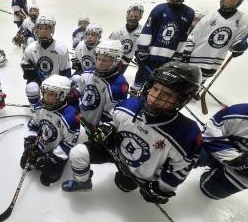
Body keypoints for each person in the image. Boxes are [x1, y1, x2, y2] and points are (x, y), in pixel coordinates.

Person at [63, 62, 202, 206]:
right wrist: (107, 129)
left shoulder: (188, 134)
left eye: (167, 94)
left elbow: (179, 168)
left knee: (124, 186)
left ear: (182, 99)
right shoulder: (129, 105)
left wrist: (162, 189)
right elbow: (114, 122)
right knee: (78, 153)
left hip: (140, 174)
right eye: (155, 89)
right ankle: (83, 183)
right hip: (114, 151)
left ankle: (127, 178)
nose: (154, 98)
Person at [132, 0, 195, 95]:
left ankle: (147, 98)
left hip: (169, 58)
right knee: (141, 77)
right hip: (150, 55)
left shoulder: (189, 13)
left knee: (157, 83)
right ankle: (133, 95)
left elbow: (183, 36)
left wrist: (178, 55)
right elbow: (147, 30)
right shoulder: (159, 9)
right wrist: (142, 50)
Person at [198, 89, 248, 200]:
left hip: (245, 170)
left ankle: (215, 173)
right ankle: (212, 165)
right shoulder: (240, 112)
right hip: (222, 152)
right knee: (192, 151)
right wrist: (240, 159)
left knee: (211, 191)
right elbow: (209, 133)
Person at [182, 0, 248, 85]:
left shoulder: (243, 19)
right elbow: (193, 36)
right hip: (195, 58)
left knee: (198, 85)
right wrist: (186, 53)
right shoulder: (210, 16)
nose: (232, 0)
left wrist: (240, 47)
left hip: (215, 61)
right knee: (184, 85)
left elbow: (237, 42)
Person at [20, 75, 80, 186]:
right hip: (41, 145)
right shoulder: (40, 107)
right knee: (24, 163)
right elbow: (33, 126)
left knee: (48, 177)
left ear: (62, 95)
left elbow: (70, 144)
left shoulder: (70, 116)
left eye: (51, 94)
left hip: (56, 152)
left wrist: (52, 157)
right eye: (45, 92)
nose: (46, 96)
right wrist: (30, 142)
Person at [72, 39, 129, 128]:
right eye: (98, 58)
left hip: (94, 127)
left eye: (105, 60)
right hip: (80, 119)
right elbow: (80, 91)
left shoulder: (119, 85)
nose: (100, 63)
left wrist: (100, 129)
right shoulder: (88, 72)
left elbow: (111, 115)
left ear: (116, 61)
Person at [21, 14, 71, 108]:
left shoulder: (61, 49)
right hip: (39, 80)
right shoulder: (30, 49)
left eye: (46, 28)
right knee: (31, 88)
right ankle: (36, 109)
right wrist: (29, 71)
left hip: (56, 83)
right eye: (40, 28)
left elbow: (66, 73)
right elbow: (27, 75)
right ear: (36, 29)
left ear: (52, 30)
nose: (43, 31)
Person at [109, 3, 144, 74]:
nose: (133, 18)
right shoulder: (118, 30)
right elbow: (109, 45)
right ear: (127, 15)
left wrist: (139, 56)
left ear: (140, 17)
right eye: (131, 16)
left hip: (127, 60)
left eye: (136, 16)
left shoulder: (142, 31)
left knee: (118, 76)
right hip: (114, 59)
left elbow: (142, 47)